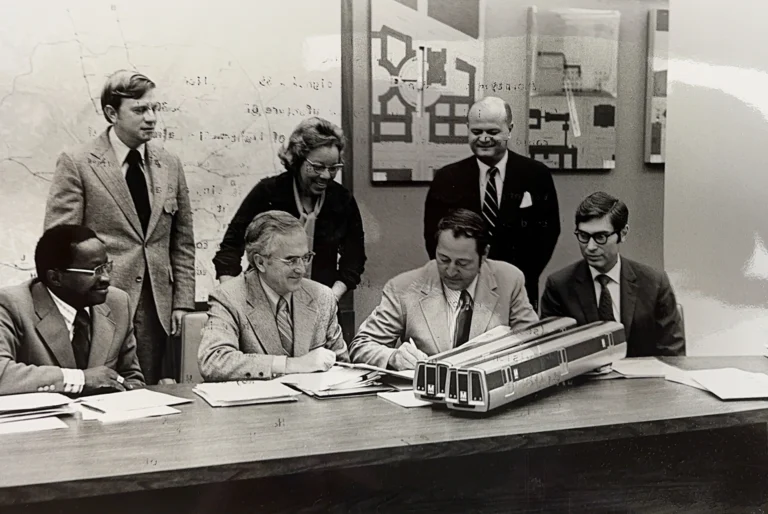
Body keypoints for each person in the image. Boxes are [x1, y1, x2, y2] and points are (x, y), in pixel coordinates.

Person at [44, 70, 195, 385]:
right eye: (140, 110)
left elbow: (182, 242)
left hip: (157, 308)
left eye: (155, 108)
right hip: (100, 304)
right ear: (112, 113)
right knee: (105, 390)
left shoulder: (169, 163)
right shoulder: (78, 162)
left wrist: (182, 302)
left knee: (151, 392)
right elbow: (59, 245)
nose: (151, 118)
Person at [350, 209, 538, 371]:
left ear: (484, 254)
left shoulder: (509, 279)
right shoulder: (404, 287)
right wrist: (392, 357)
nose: (450, 271)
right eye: (443, 259)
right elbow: (361, 346)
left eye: (462, 263)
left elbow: (535, 343)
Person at [212, 117, 366, 308]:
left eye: (333, 168)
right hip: (264, 304)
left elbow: (354, 258)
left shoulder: (342, 200)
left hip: (320, 304)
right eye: (317, 167)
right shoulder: (268, 192)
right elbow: (230, 248)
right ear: (298, 159)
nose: (325, 176)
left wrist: (331, 298)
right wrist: (232, 300)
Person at [424, 96, 559, 310]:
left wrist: (514, 280)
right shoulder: (447, 178)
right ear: (467, 129)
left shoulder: (536, 175)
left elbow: (548, 234)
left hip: (519, 290)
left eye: (493, 132)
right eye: (476, 132)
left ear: (509, 129)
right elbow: (434, 238)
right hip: (462, 290)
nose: (484, 139)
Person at [198, 211, 349, 381]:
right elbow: (213, 361)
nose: (302, 269)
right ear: (260, 262)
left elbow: (343, 366)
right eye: (291, 260)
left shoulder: (322, 296)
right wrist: (291, 365)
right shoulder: (228, 297)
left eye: (305, 257)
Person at [0, 225, 144, 396]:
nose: (106, 278)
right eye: (94, 270)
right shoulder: (12, 305)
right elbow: (2, 374)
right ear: (55, 277)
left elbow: (132, 377)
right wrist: (80, 379)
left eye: (106, 266)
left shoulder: (117, 302)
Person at [540, 192, 685, 357]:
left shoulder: (654, 283)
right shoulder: (559, 286)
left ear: (623, 234)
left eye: (600, 237)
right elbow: (551, 356)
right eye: (583, 236)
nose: (590, 247)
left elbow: (673, 355)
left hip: (643, 381)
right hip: (585, 381)